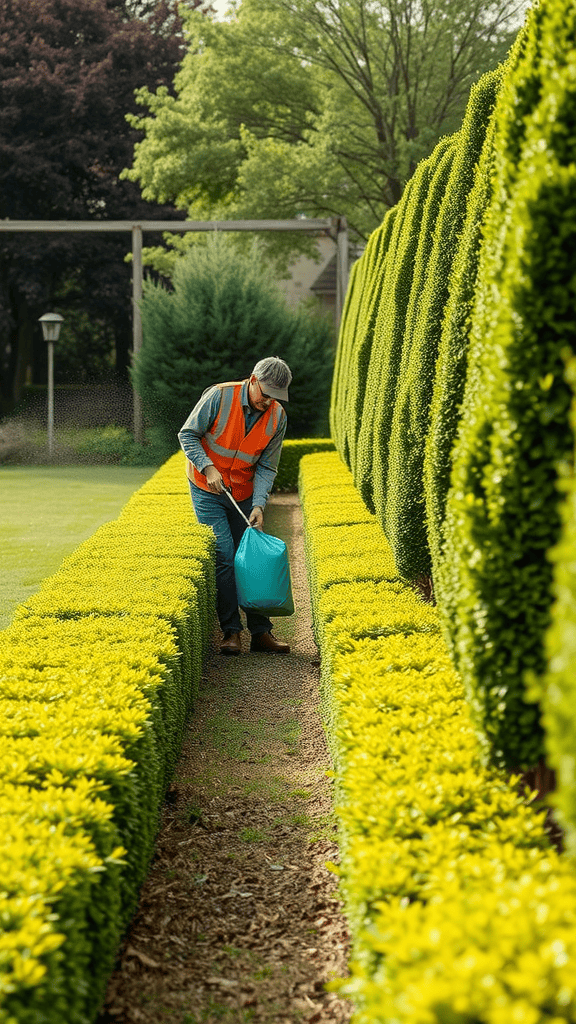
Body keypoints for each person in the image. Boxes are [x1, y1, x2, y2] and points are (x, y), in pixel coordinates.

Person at [178, 356, 292, 656]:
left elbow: (267, 467)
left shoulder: (277, 417)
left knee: (251, 557)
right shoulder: (219, 395)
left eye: (276, 397)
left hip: (242, 493)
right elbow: (187, 434)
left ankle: (261, 633)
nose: (269, 402)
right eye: (265, 394)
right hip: (207, 489)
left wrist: (259, 505)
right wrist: (206, 467)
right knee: (225, 556)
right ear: (252, 380)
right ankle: (231, 632)